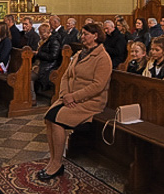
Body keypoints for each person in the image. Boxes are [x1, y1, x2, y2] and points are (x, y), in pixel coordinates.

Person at [40, 23, 112, 180]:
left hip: (90, 102)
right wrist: (65, 94)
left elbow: (98, 86)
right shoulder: (80, 53)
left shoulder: (103, 58)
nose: (82, 37)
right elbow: (66, 75)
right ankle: (53, 160)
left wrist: (74, 97)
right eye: (82, 33)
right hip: (70, 97)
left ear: (96, 36)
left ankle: (57, 163)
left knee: (57, 120)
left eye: (86, 34)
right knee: (49, 118)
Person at [33, 23, 61, 94]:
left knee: (29, 76)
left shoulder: (54, 41)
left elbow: (53, 56)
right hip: (42, 64)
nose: (40, 36)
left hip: (49, 66)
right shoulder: (44, 41)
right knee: (26, 73)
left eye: (42, 34)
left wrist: (38, 53)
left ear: (48, 32)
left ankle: (32, 98)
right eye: (40, 34)